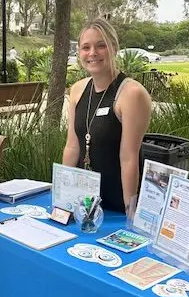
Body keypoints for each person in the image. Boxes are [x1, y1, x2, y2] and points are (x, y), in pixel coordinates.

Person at [63, 18, 151, 213]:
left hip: (115, 202)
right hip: (84, 204)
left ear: (114, 48)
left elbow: (129, 157)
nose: (92, 53)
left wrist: (130, 211)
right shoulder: (77, 90)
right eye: (86, 47)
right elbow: (72, 146)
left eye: (101, 46)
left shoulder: (131, 94)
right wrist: (63, 199)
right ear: (79, 52)